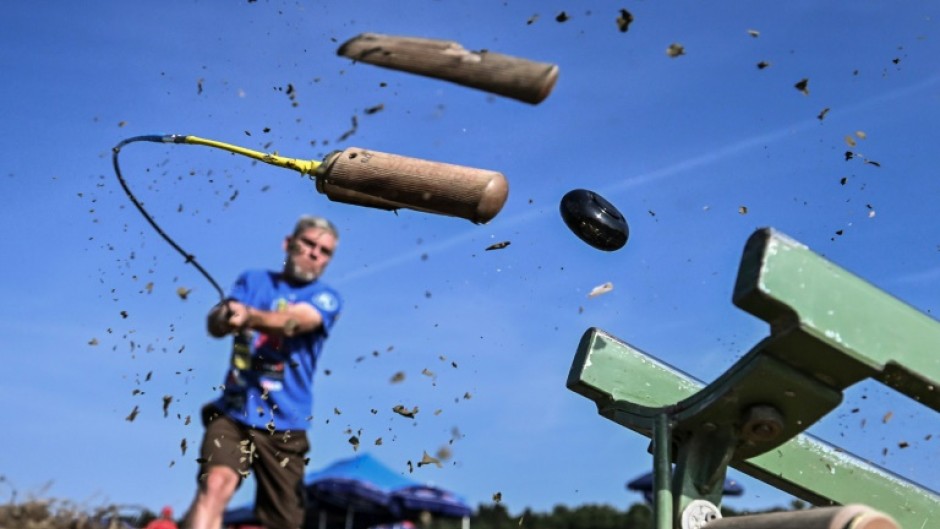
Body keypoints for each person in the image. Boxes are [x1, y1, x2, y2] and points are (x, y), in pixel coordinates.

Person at [183, 215, 343, 529]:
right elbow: (216, 324)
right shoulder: (253, 281)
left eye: (324, 251)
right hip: (233, 412)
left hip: (285, 426)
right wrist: (224, 316)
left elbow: (294, 322)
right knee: (215, 485)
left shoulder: (326, 298)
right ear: (289, 243)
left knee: (283, 521)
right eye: (309, 243)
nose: (314, 253)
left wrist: (250, 316)